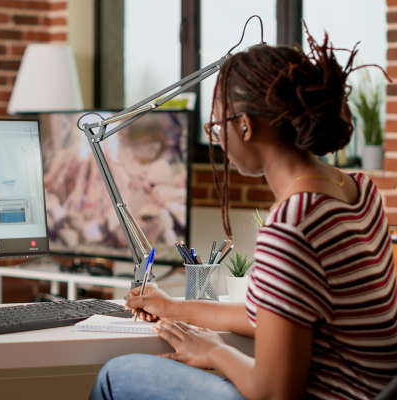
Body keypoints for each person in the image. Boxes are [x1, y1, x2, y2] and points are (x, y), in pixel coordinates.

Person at [89, 31, 397, 400]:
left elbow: (274, 392)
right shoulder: (360, 190)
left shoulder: (292, 224)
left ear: (246, 126)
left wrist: (214, 352)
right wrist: (172, 307)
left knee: (115, 374)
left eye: (218, 127)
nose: (218, 139)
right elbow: (276, 317)